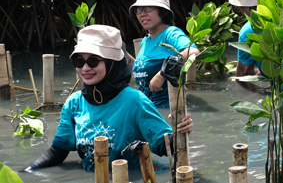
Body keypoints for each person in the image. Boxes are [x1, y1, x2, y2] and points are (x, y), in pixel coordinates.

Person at [24, 25, 192, 172]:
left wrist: (180, 132)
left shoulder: (135, 101)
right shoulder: (74, 103)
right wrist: (24, 173)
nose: (85, 68)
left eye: (94, 61)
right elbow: (57, 152)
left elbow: (166, 146)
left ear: (112, 63)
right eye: (79, 61)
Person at [131, 0, 198, 109]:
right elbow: (141, 70)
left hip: (168, 111)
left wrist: (163, 74)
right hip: (148, 109)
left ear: (163, 12)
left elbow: (193, 52)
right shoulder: (145, 41)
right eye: (138, 9)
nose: (142, 13)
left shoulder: (170, 33)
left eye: (148, 8)